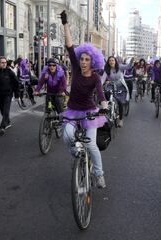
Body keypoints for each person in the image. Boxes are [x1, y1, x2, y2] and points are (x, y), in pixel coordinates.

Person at [60, 10, 109, 188]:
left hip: (89, 112)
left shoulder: (95, 77)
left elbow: (101, 94)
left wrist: (104, 106)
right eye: (82, 59)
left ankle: (99, 174)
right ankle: (77, 154)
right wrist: (65, 24)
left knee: (91, 145)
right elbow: (70, 45)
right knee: (67, 137)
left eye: (87, 59)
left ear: (92, 61)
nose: (83, 62)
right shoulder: (75, 66)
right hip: (73, 110)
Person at [0, 56, 20, 135]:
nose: (4, 64)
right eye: (2, 62)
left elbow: (16, 83)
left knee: (6, 110)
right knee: (2, 110)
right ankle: (8, 122)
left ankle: (2, 127)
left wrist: (17, 95)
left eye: (5, 62)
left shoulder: (10, 72)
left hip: (8, 94)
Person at [101, 56, 130, 127]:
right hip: (111, 85)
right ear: (108, 62)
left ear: (115, 61)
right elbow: (102, 79)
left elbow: (128, 66)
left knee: (120, 102)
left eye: (112, 60)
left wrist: (131, 61)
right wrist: (99, 86)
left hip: (120, 85)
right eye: (110, 60)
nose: (111, 62)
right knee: (106, 97)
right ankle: (109, 112)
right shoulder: (107, 69)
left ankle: (120, 120)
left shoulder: (119, 67)